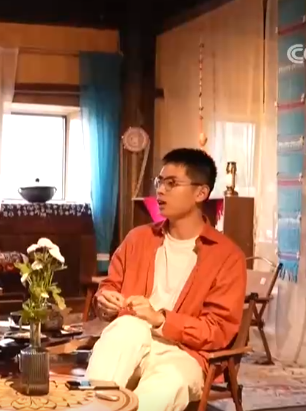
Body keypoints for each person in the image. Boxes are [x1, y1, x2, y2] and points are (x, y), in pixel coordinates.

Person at [86, 148, 247, 411]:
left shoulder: (227, 257)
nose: (160, 190)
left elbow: (218, 330)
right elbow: (109, 287)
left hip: (185, 354)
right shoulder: (138, 239)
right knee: (128, 327)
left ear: (201, 193)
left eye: (171, 183)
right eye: (159, 182)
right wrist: (105, 301)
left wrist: (161, 319)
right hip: (131, 341)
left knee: (169, 382)